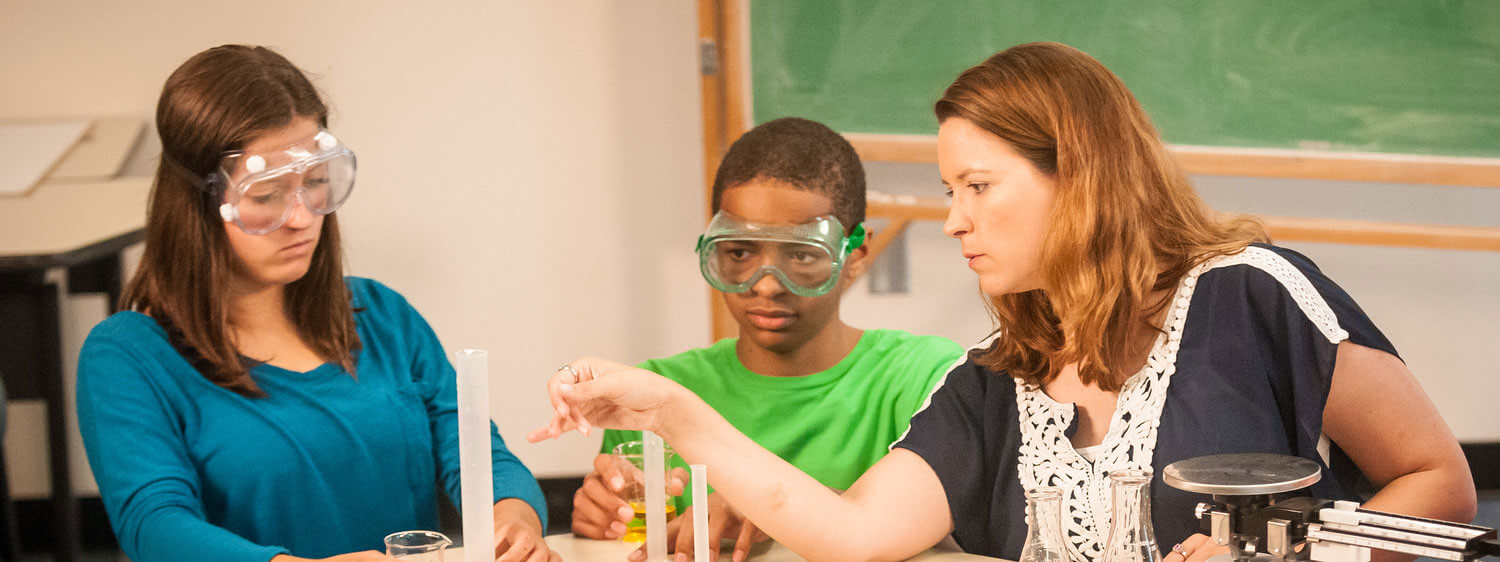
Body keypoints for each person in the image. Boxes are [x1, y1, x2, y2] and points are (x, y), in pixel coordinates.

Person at [531, 42, 1477, 562]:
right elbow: (852, 533)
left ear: (1080, 175)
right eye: (950, 192)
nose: (953, 220)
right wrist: (674, 415)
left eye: (976, 187)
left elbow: (1441, 485)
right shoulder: (995, 380)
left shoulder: (1253, 297)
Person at [76, 45, 555, 562]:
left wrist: (514, 517)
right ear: (200, 201)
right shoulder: (127, 356)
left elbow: (480, 458)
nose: (302, 217)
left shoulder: (383, 316)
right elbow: (155, 526)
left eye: (317, 183)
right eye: (267, 195)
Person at [566, 117, 964, 560]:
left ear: (854, 255)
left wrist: (769, 511)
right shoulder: (653, 391)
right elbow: (631, 537)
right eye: (738, 253)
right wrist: (601, 521)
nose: (767, 285)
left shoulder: (927, 379)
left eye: (801, 255)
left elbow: (949, 536)